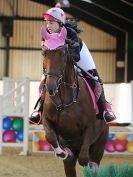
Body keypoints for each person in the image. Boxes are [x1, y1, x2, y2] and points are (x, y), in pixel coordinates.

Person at [29, 6, 116, 124]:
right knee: (45, 79)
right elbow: (46, 54)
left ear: (60, 23)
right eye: (47, 23)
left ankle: (104, 110)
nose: (48, 25)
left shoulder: (70, 33)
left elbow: (75, 57)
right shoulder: (45, 34)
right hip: (56, 60)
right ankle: (39, 110)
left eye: (51, 23)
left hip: (78, 55)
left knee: (94, 78)